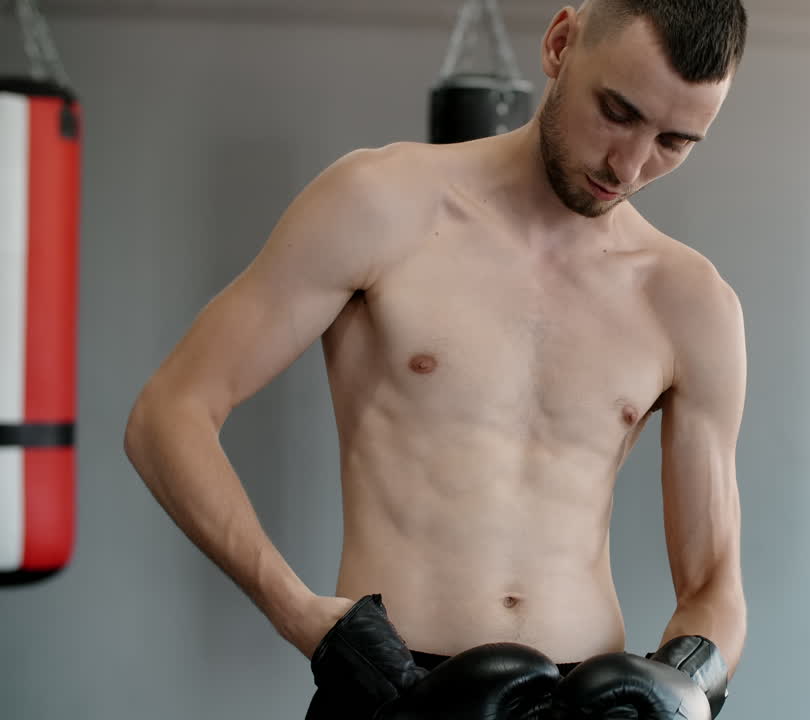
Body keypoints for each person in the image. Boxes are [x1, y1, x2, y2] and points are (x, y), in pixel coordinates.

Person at [123, 0, 750, 717]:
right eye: (617, 110)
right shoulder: (381, 205)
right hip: (397, 692)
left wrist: (686, 685)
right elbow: (167, 414)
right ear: (559, 43)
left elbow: (712, 586)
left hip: (585, 702)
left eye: (675, 141)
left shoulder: (691, 301)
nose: (630, 163)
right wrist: (300, 615)